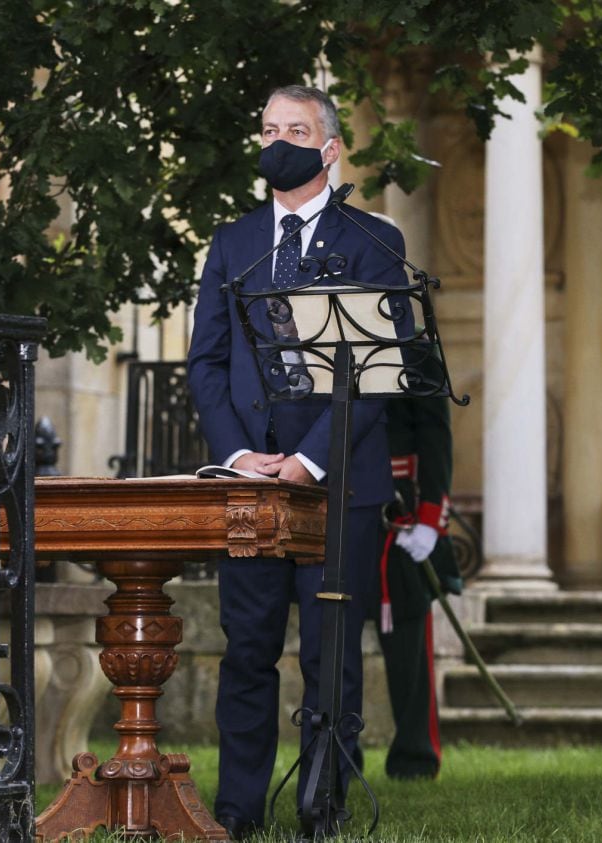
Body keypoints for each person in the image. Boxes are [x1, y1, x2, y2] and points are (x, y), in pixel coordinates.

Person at [187, 84, 409, 840]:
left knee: (330, 651)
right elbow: (206, 364)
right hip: (250, 487)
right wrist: (239, 455)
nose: (277, 139)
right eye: (269, 128)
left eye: (296, 129)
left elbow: (382, 375)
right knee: (247, 648)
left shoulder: (376, 243)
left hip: (336, 483)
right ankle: (238, 806)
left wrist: (310, 460)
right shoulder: (231, 243)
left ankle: (324, 802)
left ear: (330, 147)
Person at [378, 358, 463, 779]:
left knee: (410, 652)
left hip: (400, 520)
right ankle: (337, 758)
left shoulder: (417, 350)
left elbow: (434, 435)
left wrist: (430, 520)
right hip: (343, 509)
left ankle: (415, 759)